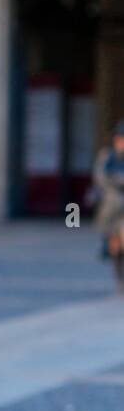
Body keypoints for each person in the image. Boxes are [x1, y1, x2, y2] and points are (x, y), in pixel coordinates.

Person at [92, 121, 124, 291]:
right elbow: (100, 176)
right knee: (114, 243)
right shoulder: (107, 156)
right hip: (112, 205)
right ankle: (119, 276)